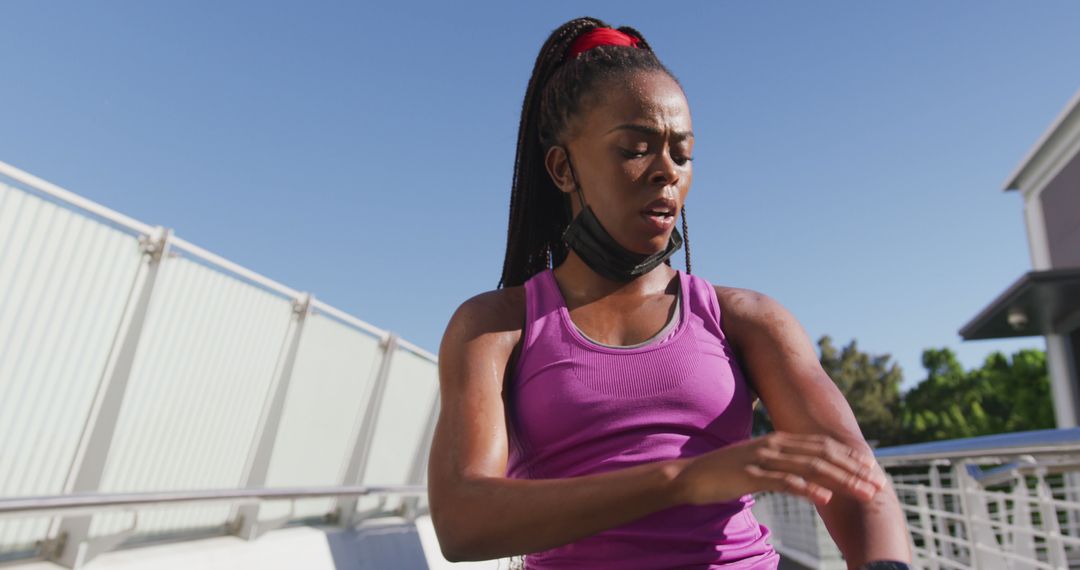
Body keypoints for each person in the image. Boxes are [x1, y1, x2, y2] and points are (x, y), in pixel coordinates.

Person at [427, 16, 913, 569]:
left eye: (682, 153)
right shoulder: (495, 327)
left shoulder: (746, 319)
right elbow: (462, 520)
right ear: (563, 168)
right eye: (635, 148)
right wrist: (681, 479)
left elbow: (855, 479)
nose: (666, 171)